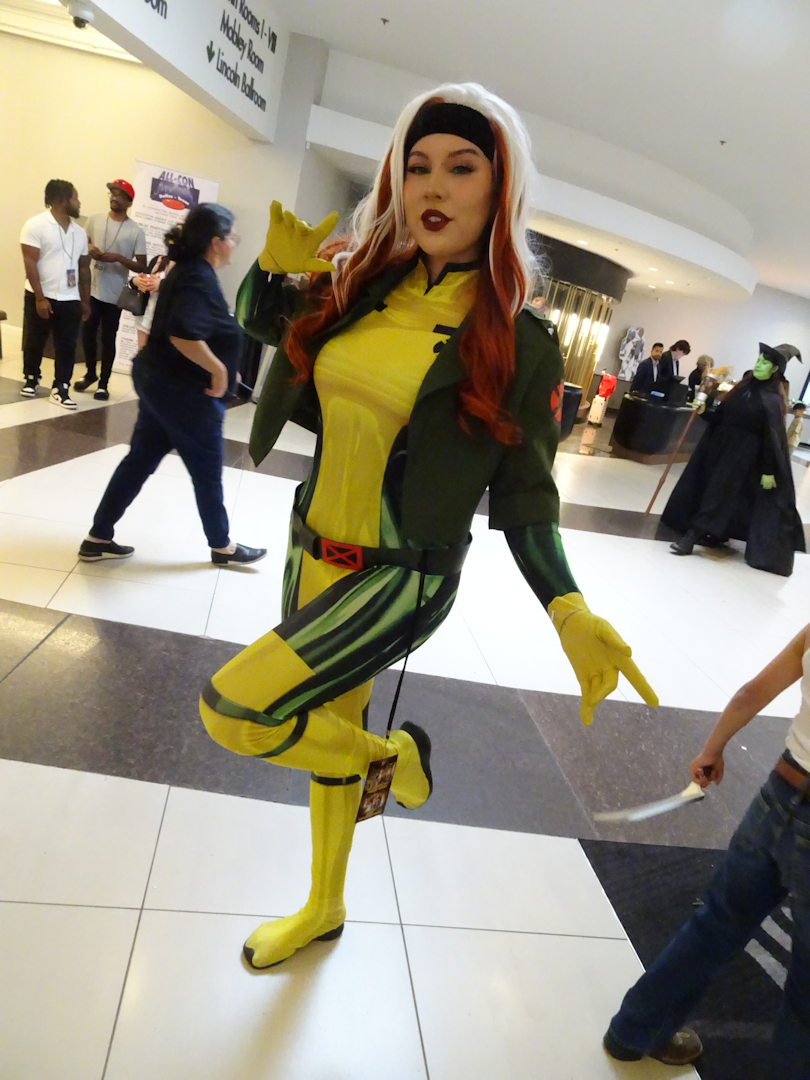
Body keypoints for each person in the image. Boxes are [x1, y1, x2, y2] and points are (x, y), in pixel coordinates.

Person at [198, 82, 658, 972]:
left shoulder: (519, 341)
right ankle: (325, 904)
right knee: (325, 723)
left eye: (461, 167)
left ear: (500, 188)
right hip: (310, 547)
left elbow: (526, 493)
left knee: (237, 710)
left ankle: (396, 757)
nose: (433, 187)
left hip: (400, 573)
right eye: (417, 168)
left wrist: (567, 606)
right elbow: (267, 330)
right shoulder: (364, 285)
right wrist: (274, 274)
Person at [604, 623, 810, 1077]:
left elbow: (751, 693)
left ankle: (634, 1030)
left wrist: (712, 750)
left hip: (779, 793)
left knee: (717, 922)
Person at [77, 203, 266, 566]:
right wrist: (219, 370)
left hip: (162, 382)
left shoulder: (190, 271)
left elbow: (193, 329)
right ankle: (222, 546)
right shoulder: (197, 276)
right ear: (216, 242)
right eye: (233, 238)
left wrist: (227, 367)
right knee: (207, 469)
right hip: (185, 392)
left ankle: (97, 537)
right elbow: (182, 333)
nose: (234, 244)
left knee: (140, 460)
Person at [664, 342, 805, 574]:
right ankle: (716, 533)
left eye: (765, 363)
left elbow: (771, 439)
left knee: (718, 493)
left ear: (774, 370)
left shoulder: (773, 400)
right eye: (759, 360)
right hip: (719, 448)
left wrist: (769, 470)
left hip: (743, 456)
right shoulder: (742, 389)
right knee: (714, 490)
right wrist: (704, 412)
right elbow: (722, 417)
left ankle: (692, 537)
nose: (758, 365)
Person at [19, 179, 90, 408]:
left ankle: (61, 387)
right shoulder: (35, 225)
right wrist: (40, 298)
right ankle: (31, 378)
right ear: (63, 199)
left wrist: (85, 301)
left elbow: (84, 268)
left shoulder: (80, 233)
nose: (79, 203)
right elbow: (30, 263)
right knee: (35, 340)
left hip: (69, 298)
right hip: (40, 295)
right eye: (76, 198)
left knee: (67, 345)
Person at [76, 179, 147, 401]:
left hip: (115, 294)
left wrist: (118, 258)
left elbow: (142, 266)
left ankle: (103, 384)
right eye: (112, 194)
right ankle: (90, 373)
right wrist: (89, 247)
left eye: (120, 195)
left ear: (129, 202)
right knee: (88, 332)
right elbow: (82, 243)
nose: (114, 198)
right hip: (92, 288)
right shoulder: (95, 219)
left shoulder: (135, 231)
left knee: (108, 337)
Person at [130, 252, 173, 349]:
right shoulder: (159, 260)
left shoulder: (184, 267)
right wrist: (136, 281)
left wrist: (161, 285)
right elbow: (145, 276)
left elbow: (182, 289)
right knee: (142, 349)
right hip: (146, 313)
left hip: (165, 317)